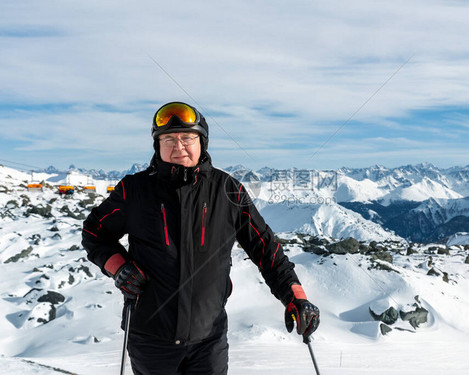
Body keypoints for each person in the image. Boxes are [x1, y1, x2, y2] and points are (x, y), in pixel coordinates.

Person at [82, 102, 320, 375]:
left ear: (202, 142)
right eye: (168, 139)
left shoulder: (228, 190)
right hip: (150, 340)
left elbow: (266, 249)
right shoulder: (134, 190)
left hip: (209, 342)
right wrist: (118, 266)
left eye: (187, 137)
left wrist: (296, 297)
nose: (178, 146)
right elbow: (94, 232)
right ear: (157, 145)